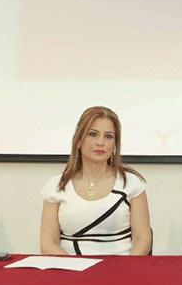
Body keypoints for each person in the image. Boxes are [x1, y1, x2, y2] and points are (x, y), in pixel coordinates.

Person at [40, 106, 153, 255]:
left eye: (108, 136)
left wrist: (127, 267)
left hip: (121, 266)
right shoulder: (56, 186)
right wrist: (75, 266)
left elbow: (143, 239)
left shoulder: (131, 183)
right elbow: (48, 244)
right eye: (93, 134)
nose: (101, 142)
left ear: (115, 144)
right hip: (70, 266)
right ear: (78, 141)